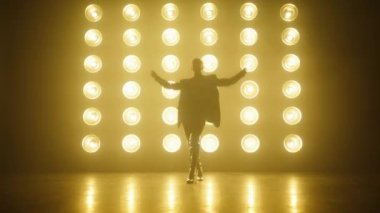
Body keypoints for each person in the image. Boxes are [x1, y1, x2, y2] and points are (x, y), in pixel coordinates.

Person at [151, 58, 247, 183]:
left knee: (194, 142)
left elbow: (227, 82)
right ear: (194, 68)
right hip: (187, 116)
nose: (196, 67)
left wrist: (241, 74)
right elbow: (169, 86)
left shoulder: (208, 81)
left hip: (199, 116)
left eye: (198, 65)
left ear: (200, 67)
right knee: (192, 145)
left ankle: (191, 172)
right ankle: (199, 168)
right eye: (195, 65)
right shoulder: (189, 82)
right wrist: (156, 77)